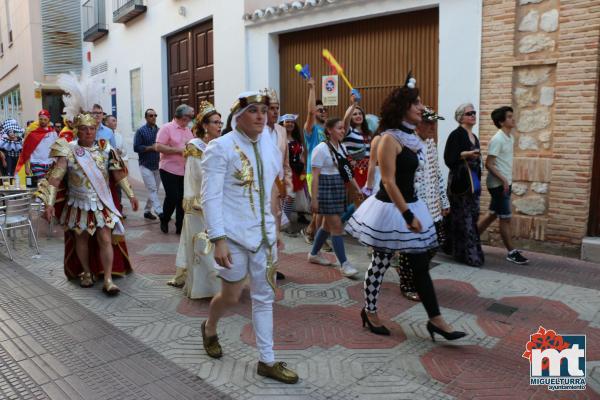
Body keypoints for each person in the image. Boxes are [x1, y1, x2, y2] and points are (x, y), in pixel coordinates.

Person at [346, 77, 466, 342]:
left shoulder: (412, 138)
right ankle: (370, 311)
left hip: (411, 205)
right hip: (391, 211)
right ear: (403, 108)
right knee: (380, 263)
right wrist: (408, 215)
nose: (421, 107)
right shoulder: (389, 139)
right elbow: (388, 181)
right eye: (416, 103)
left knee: (420, 265)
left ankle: (436, 320)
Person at [200, 91, 298, 384]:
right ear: (237, 117)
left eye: (264, 110)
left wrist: (274, 229)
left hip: (264, 238)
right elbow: (210, 197)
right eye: (253, 110)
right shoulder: (220, 147)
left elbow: (270, 190)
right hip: (232, 237)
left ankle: (266, 360)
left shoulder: (268, 145)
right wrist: (217, 239)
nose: (260, 115)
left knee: (264, 297)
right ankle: (209, 326)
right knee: (230, 297)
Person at [35, 109, 139, 295]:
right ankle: (87, 272)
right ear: (77, 130)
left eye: (92, 128)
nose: (89, 132)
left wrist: (130, 194)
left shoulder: (106, 148)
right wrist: (49, 203)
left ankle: (107, 278)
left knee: (105, 238)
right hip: (78, 204)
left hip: (101, 203)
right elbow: (55, 179)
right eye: (84, 128)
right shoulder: (68, 149)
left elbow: (117, 175)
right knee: (81, 239)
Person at [167, 101, 222, 297]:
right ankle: (202, 287)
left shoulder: (220, 146)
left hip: (217, 203)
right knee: (201, 245)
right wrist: (194, 203)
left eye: (220, 122)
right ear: (205, 125)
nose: (219, 126)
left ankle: (218, 285)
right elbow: (191, 178)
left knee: (217, 245)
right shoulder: (195, 147)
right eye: (215, 122)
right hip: (199, 204)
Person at [395, 107, 449, 302]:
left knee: (437, 241)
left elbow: (437, 174)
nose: (432, 127)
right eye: (428, 123)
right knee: (412, 247)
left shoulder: (431, 143)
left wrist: (444, 200)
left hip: (432, 206)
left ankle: (414, 272)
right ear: (416, 124)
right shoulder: (407, 145)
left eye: (434, 123)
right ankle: (407, 283)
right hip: (414, 205)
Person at [308, 117, 360, 277]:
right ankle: (345, 264)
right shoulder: (320, 149)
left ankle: (314, 254)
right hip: (325, 187)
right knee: (337, 226)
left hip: (338, 186)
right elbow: (315, 177)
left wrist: (357, 188)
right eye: (339, 128)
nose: (343, 131)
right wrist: (314, 199)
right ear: (329, 130)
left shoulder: (342, 147)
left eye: (343, 128)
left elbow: (347, 172)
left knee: (327, 225)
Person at [477, 106, 529, 265]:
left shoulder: (509, 137)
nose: (513, 119)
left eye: (512, 116)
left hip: (505, 184)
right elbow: (489, 164)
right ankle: (511, 252)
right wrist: (504, 180)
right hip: (498, 185)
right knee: (505, 218)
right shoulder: (497, 139)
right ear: (501, 122)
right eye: (509, 117)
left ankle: (470, 239)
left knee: (493, 214)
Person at [444, 103, 484, 267]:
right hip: (460, 183)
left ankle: (461, 251)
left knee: (471, 217)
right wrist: (465, 154)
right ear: (461, 117)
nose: (473, 115)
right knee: (463, 218)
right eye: (469, 113)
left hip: (472, 183)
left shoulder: (474, 136)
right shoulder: (456, 134)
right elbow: (449, 158)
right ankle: (469, 256)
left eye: (474, 113)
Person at [155, 104, 195, 234]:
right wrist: (178, 151)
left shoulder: (188, 130)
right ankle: (165, 219)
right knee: (172, 196)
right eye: (190, 117)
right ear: (184, 117)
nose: (191, 120)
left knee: (182, 198)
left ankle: (180, 226)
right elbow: (158, 147)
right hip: (168, 169)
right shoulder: (166, 128)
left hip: (184, 169)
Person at [301, 78, 329, 247]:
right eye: (320, 110)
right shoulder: (310, 129)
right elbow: (310, 113)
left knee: (322, 209)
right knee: (320, 208)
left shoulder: (327, 130)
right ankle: (320, 241)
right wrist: (312, 89)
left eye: (324, 109)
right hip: (314, 173)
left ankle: (310, 231)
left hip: (328, 172)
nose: (322, 112)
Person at [280, 114, 309, 228]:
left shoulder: (297, 139)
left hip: (298, 172)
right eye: (287, 122)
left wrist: (304, 169)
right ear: (282, 124)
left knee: (300, 195)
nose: (290, 124)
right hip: (287, 172)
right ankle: (284, 222)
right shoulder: (280, 139)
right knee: (289, 197)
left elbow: (301, 155)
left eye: (292, 122)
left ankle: (298, 217)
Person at [134, 108, 163, 220]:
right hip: (145, 164)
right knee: (152, 189)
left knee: (154, 189)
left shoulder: (160, 131)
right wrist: (150, 148)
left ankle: (147, 210)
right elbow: (136, 147)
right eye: (151, 116)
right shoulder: (140, 131)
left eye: (155, 115)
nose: (154, 117)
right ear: (146, 118)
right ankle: (159, 211)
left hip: (158, 164)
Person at [16, 110, 58, 179]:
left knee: (48, 187)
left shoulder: (53, 133)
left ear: (48, 120)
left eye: (45, 119)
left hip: (50, 164)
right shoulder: (32, 134)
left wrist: (56, 162)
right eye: (41, 119)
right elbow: (27, 151)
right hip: (36, 164)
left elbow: (56, 149)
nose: (43, 121)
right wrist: (27, 167)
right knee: (41, 184)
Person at [343, 94, 372, 189]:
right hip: (354, 171)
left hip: (369, 170)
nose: (358, 116)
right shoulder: (349, 130)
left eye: (360, 113)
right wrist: (354, 104)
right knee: (358, 198)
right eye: (354, 114)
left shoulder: (368, 133)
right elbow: (345, 120)